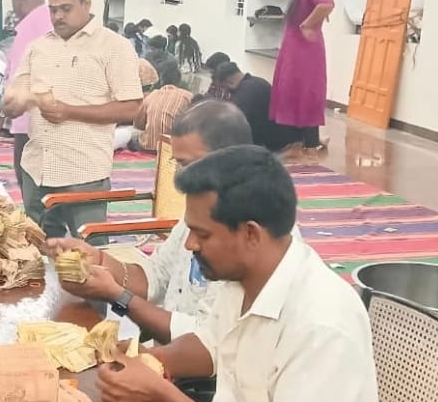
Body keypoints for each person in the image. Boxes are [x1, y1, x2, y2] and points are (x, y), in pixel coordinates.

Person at [96, 145, 381, 402]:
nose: (190, 245)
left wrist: (163, 395)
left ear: (251, 234)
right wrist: (151, 361)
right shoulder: (242, 279)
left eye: (202, 234)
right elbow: (212, 342)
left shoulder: (321, 322)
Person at [50, 101, 289, 344]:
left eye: (189, 165)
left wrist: (118, 297)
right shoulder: (200, 213)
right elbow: (155, 276)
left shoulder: (249, 238)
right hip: (171, 355)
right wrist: (99, 260)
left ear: (232, 158)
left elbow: (207, 341)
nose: (180, 176)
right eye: (177, 163)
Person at [1, 0, 143, 244]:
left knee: (90, 251)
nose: (58, 16)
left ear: (86, 4)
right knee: (37, 248)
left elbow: (132, 108)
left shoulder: (113, 46)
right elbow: (15, 97)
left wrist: (70, 112)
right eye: (53, 10)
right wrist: (11, 105)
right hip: (37, 169)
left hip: (83, 172)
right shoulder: (38, 47)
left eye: (66, 9)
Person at [272, 0, 335, 153]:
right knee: (291, 91)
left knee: (305, 92)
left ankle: (310, 142)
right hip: (295, 52)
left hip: (305, 54)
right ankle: (300, 140)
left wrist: (307, 24)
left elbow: (326, 4)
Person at [3, 0, 53, 209]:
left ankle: (36, 223)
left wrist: (3, 112)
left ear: (19, 2)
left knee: (27, 175)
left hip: (28, 116)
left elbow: (18, 75)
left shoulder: (29, 27)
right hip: (55, 113)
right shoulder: (55, 20)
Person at [213, 61, 295, 152]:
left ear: (229, 82)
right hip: (285, 138)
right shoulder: (258, 82)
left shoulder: (243, 93)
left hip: (274, 146)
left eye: (223, 87)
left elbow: (237, 126)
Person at [130, 65, 192, 153]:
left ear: (161, 80)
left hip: (147, 147)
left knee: (132, 137)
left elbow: (138, 125)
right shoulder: (187, 96)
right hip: (172, 149)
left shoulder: (151, 95)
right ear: (179, 80)